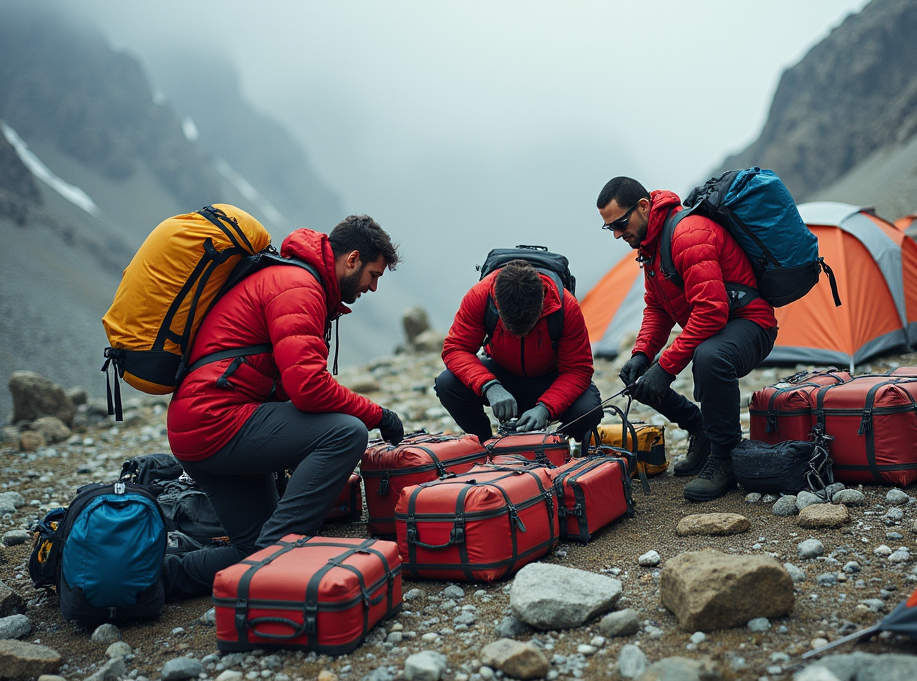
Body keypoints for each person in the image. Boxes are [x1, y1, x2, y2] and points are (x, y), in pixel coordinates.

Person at [162, 215, 403, 598]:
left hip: (202, 427)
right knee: (347, 433)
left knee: (249, 545)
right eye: (373, 275)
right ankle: (274, 563)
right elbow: (308, 388)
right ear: (352, 259)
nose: (372, 287)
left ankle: (156, 579)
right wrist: (379, 415)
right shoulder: (298, 287)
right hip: (218, 422)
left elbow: (294, 387)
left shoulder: (294, 278)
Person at [596, 177, 777, 501]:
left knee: (709, 357)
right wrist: (642, 355)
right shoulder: (650, 248)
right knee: (638, 377)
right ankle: (700, 429)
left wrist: (665, 367)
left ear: (643, 207)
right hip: (720, 326)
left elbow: (711, 311)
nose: (618, 234)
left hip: (751, 323)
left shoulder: (688, 234)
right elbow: (657, 308)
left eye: (620, 223)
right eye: (609, 228)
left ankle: (725, 457)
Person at [435, 259, 602, 442]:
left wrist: (545, 408)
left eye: (529, 326)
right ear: (497, 305)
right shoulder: (480, 297)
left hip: (550, 379)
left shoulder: (565, 307)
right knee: (447, 383)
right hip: (502, 374)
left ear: (541, 304)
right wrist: (489, 386)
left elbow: (578, 369)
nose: (520, 334)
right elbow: (456, 348)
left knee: (588, 411)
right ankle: (484, 443)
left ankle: (559, 447)